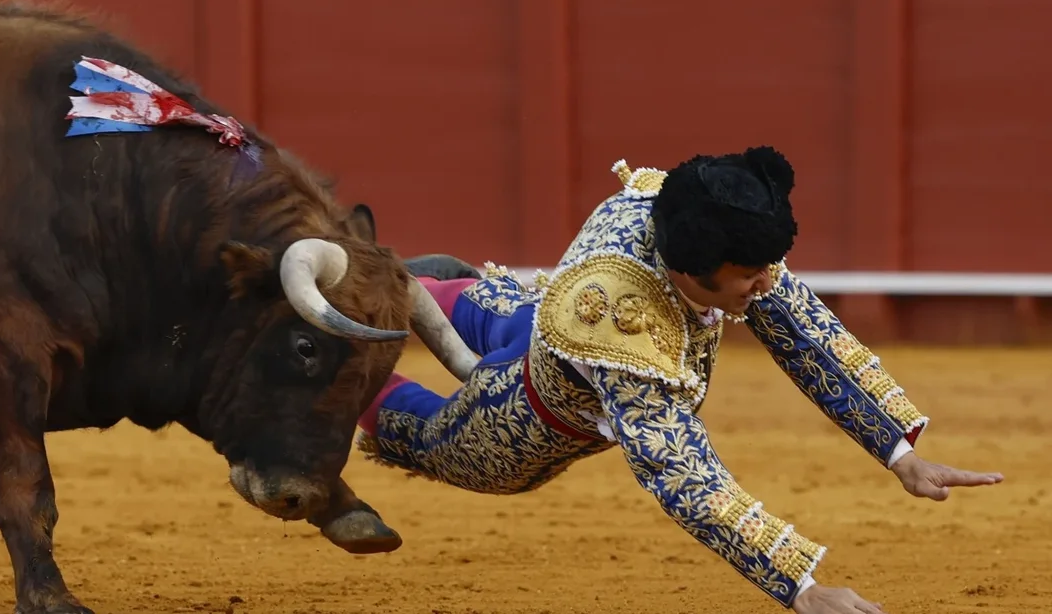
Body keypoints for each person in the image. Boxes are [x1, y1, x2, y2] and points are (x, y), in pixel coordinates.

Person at [364, 146, 1005, 613]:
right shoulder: (627, 329)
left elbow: (803, 332)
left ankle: (409, 285)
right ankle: (344, 371)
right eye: (752, 273)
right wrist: (801, 588)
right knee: (425, 435)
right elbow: (681, 472)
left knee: (494, 308)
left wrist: (900, 454)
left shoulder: (680, 212)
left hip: (542, 314)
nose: (768, 281)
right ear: (696, 274)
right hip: (527, 416)